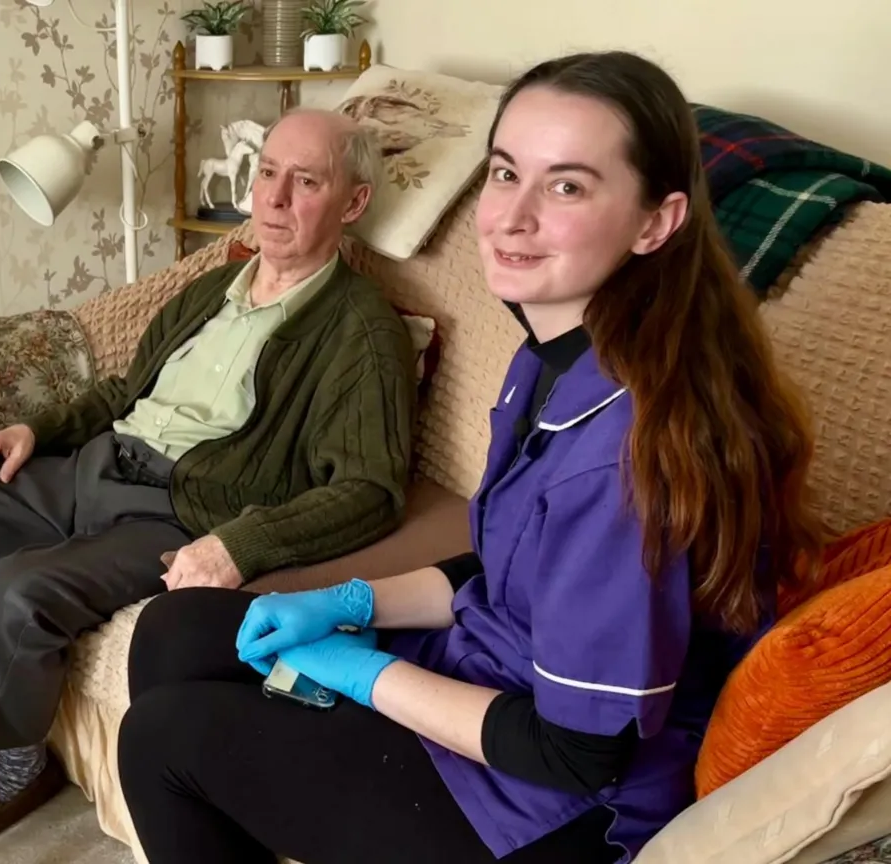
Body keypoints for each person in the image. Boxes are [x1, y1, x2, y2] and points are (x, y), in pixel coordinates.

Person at [118, 50, 828, 864]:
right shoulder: (550, 356)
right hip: (494, 681)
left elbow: (575, 752)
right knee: (176, 631)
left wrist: (359, 673)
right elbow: (504, 570)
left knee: (166, 743)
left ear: (655, 222)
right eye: (504, 172)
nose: (511, 217)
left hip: (552, 805)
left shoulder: (625, 455)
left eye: (566, 186)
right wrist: (348, 600)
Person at [0, 108, 420, 855]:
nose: (274, 198)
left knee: (15, 589)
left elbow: (372, 491)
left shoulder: (360, 332)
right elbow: (126, 391)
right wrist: (36, 431)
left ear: (351, 205)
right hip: (93, 465)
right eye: (268, 173)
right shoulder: (216, 287)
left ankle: (16, 763)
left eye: (306, 181)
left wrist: (242, 544)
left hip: (179, 510)